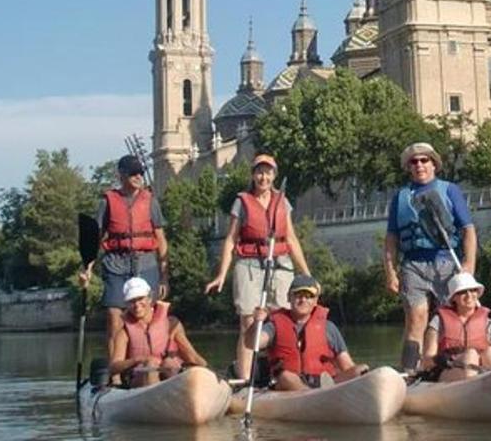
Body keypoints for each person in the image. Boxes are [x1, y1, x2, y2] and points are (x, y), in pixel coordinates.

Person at [205, 153, 311, 379]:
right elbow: (231, 239)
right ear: (253, 175)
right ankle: (244, 379)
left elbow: (291, 238)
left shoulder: (282, 201)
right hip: (250, 265)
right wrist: (222, 274)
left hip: (280, 264)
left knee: (281, 320)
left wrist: (306, 273)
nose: (264, 177)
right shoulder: (241, 202)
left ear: (274, 175)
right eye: (260, 172)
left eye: (268, 172)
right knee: (249, 321)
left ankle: (282, 374)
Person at [383, 141, 477, 372]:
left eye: (424, 160)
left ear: (434, 164)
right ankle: (409, 371)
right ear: (409, 167)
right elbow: (391, 239)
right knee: (416, 318)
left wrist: (469, 263)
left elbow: (468, 230)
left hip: (446, 261)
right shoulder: (401, 197)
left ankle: (447, 366)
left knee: (447, 318)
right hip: (413, 264)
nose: (419, 165)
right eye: (414, 162)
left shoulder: (449, 190)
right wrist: (390, 272)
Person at [80, 154, 169, 363]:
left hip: (146, 262)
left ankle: (151, 365)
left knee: (149, 316)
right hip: (116, 263)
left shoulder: (150, 201)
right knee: (114, 316)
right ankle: (116, 371)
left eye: (140, 173)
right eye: (133, 173)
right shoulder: (107, 201)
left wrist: (165, 276)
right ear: (121, 175)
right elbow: (95, 238)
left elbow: (161, 240)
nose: (138, 176)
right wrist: (87, 268)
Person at [248, 274, 371, 391]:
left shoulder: (329, 327)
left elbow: (347, 365)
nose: (303, 300)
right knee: (286, 377)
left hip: (323, 381)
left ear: (316, 301)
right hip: (288, 383)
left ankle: (327, 391)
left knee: (361, 369)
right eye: (298, 295)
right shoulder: (274, 325)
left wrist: (358, 375)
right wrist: (256, 323)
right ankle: (314, 394)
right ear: (288, 297)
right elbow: (253, 343)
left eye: (309, 296)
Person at [109, 277, 207, 388]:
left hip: (169, 374)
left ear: (149, 298)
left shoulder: (171, 324)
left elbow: (193, 357)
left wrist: (207, 372)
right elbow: (114, 367)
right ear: (127, 304)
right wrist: (138, 360)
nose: (136, 305)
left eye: (140, 298)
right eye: (132, 301)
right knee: (150, 365)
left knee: (169, 364)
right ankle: (154, 398)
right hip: (139, 379)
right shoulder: (124, 332)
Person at [419, 272, 491, 381]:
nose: (469, 295)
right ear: (453, 298)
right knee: (470, 355)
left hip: (482, 374)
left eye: (473, 290)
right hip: (448, 372)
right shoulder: (438, 322)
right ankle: (472, 391)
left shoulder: (490, 324)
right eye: (462, 292)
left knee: (490, 351)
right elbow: (426, 362)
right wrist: (438, 359)